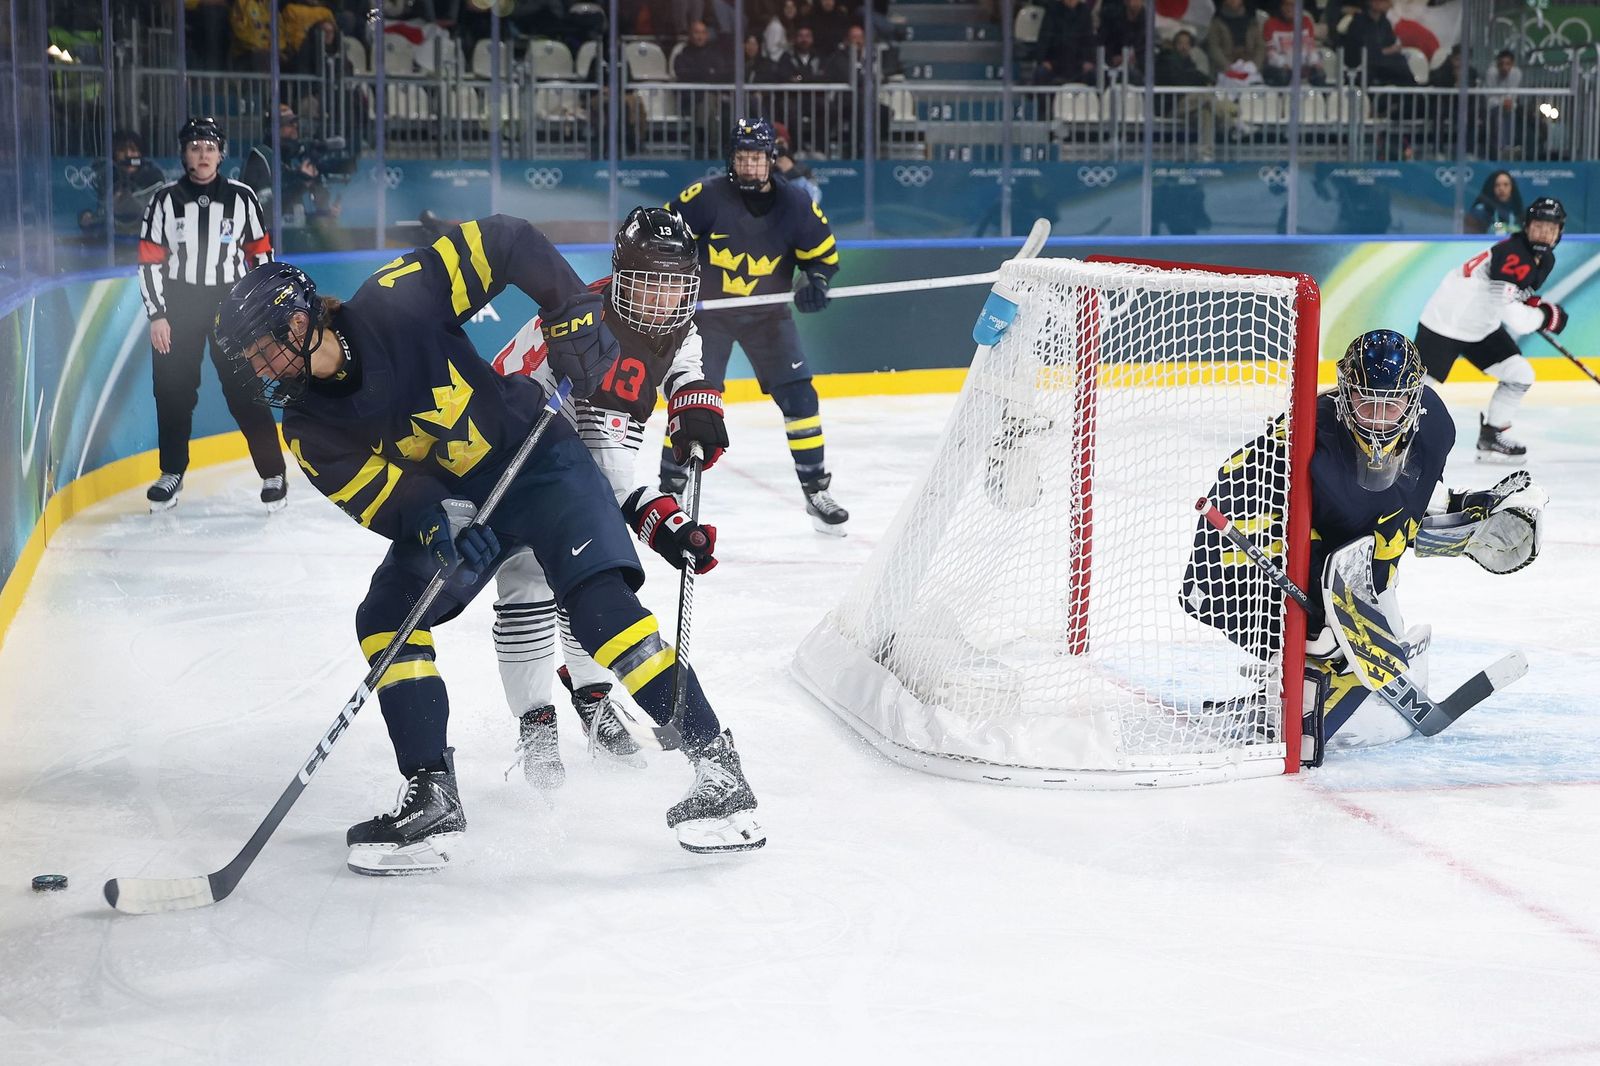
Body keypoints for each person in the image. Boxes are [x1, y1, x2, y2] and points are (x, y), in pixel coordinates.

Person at [212, 215, 764, 872]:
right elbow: (382, 496)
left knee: (600, 610)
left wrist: (570, 310)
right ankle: (433, 792)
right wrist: (436, 523)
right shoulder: (306, 427)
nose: (254, 368)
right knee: (384, 616)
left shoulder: (398, 296)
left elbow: (505, 242)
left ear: (299, 326)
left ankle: (718, 771)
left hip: (542, 463)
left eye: (260, 350)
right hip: (467, 508)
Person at [1184, 331, 1537, 754]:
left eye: (1392, 404)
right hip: (1303, 566)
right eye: (1366, 401)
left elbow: (1402, 507)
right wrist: (1302, 616)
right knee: (1348, 715)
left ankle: (1313, 670)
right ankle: (1292, 672)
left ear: (1414, 397)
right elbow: (1235, 517)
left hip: (1365, 575)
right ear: (1344, 393)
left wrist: (1468, 520)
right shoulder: (1300, 439)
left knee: (1377, 718)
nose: (1378, 417)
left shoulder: (1435, 426)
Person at [487, 207, 727, 787]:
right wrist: (664, 525)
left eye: (677, 285)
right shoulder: (594, 338)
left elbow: (683, 357)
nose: (665, 300)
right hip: (508, 455)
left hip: (571, 457)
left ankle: (590, 694)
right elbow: (608, 476)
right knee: (529, 583)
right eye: (652, 283)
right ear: (622, 278)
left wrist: (695, 402)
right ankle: (535, 722)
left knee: (596, 573)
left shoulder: (672, 322)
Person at [663, 117, 850, 534]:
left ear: (772, 160)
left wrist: (815, 281)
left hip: (768, 318)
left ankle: (815, 489)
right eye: (742, 158)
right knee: (692, 398)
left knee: (801, 399)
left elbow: (822, 256)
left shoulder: (797, 205)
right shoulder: (705, 197)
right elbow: (662, 236)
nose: (750, 166)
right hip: (707, 317)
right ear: (731, 160)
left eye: (757, 159)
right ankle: (670, 489)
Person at [136, 117, 286, 513]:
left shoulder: (242, 197)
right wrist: (158, 314)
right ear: (184, 154)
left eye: (209, 147)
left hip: (231, 306)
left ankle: (273, 474)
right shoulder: (164, 201)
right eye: (194, 147)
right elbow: (150, 261)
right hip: (179, 306)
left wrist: (259, 310)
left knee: (246, 391)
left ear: (221, 153)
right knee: (171, 393)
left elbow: (261, 255)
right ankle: (171, 473)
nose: (202, 154)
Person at [1414, 197, 1566, 462]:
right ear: (1527, 226)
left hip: (1482, 325)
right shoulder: (1514, 255)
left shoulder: (1545, 259)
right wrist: (1543, 317)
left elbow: (1513, 296)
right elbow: (1515, 317)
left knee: (1520, 374)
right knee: (1419, 393)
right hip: (1446, 322)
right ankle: (1398, 441)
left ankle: (1492, 435)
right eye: (1539, 226)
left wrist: (1529, 303)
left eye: (1551, 228)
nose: (1544, 233)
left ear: (1559, 233)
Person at [77, 129, 168, 245]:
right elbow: (94, 212)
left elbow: (147, 212)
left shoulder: (153, 177)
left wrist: (125, 202)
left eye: (133, 150)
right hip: (111, 244)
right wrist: (87, 218)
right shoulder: (106, 177)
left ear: (140, 154)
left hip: (145, 242)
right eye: (122, 151)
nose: (128, 155)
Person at [1340, 0, 1415, 86]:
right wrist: (1386, 51)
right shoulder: (1358, 23)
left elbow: (1391, 44)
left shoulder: (1385, 23)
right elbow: (1361, 52)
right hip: (1363, 67)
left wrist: (1390, 50)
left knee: (1400, 62)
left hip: (1383, 65)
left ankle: (1413, 92)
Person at [1262, 0, 1326, 86]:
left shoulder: (1306, 22)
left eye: (1293, 6)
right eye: (1286, 5)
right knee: (1283, 75)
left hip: (1303, 66)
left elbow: (1311, 49)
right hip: (1280, 67)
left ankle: (1321, 98)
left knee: (1319, 74)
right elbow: (1271, 53)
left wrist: (1314, 62)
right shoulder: (1270, 24)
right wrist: (1283, 64)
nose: (1289, 9)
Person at [1034, 0, 1096, 85]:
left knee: (1093, 74)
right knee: (1041, 72)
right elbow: (1044, 38)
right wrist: (1043, 60)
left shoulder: (1084, 11)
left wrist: (1089, 60)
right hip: (1055, 63)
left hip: (1078, 63)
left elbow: (1089, 39)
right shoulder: (1053, 10)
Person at [1206, 0, 1265, 81]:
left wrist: (1254, 65)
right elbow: (1214, 47)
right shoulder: (1216, 22)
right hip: (1225, 71)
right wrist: (1227, 67)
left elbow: (1260, 46)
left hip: (1251, 69)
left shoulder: (1252, 21)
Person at [1483, 49, 1522, 157]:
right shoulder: (1491, 73)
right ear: (1497, 65)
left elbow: (1513, 94)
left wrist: (1509, 102)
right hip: (1492, 105)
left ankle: (1509, 147)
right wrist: (1502, 102)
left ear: (1512, 64)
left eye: (1508, 64)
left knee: (1511, 114)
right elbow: (1489, 97)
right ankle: (1500, 148)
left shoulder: (1517, 73)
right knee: (1498, 116)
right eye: (1501, 64)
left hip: (1509, 105)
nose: (1504, 67)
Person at [1465, 170, 1522, 236]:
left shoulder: (1519, 213)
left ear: (1512, 188)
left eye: (1506, 185)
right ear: (1491, 188)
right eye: (1497, 185)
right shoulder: (1479, 213)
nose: (1501, 189)